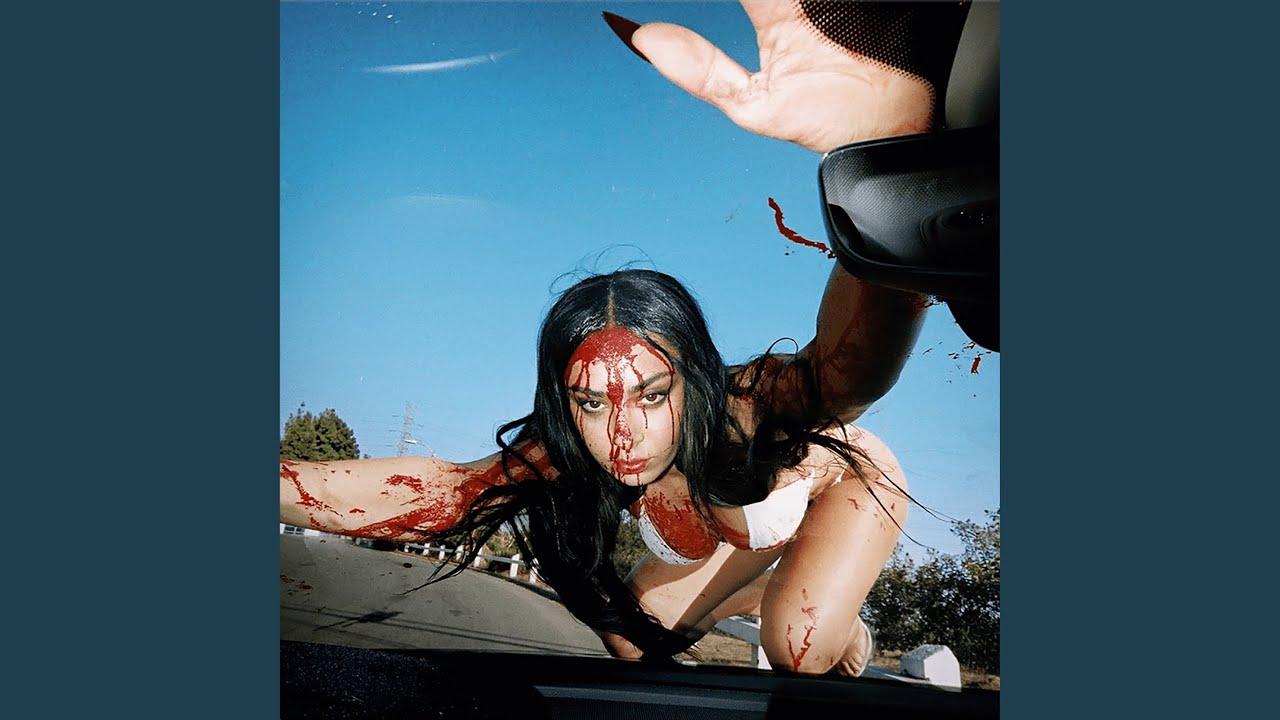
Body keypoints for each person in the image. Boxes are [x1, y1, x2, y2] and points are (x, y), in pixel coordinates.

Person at [281, 1, 958, 676]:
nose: (622, 434)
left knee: (796, 647)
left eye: (652, 393)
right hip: (742, 530)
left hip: (845, 484)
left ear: (691, 377)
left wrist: (892, 154)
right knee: (632, 639)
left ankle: (843, 627)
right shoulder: (568, 447)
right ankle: (757, 591)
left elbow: (850, 369)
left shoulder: (751, 403)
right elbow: (446, 495)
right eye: (591, 402)